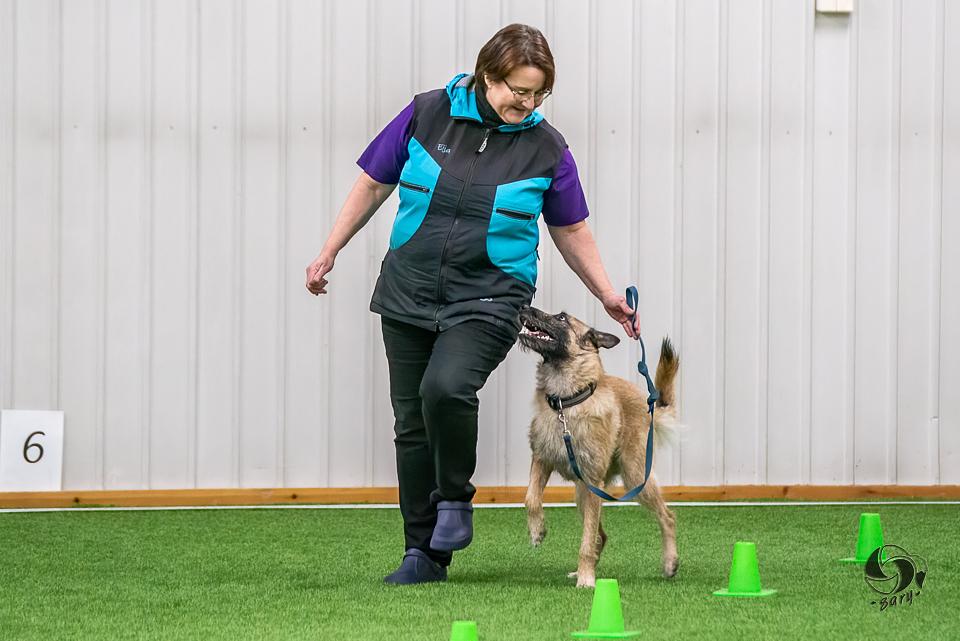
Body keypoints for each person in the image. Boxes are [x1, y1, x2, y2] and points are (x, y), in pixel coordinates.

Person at [305, 23, 640, 585]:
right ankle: (422, 554)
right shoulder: (426, 113)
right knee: (411, 420)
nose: (528, 104)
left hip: (491, 295)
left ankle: (456, 497)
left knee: (447, 387)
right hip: (408, 286)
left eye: (539, 94)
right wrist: (328, 252)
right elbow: (372, 183)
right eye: (518, 90)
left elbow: (571, 227)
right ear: (489, 75)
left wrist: (606, 294)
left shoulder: (546, 146)